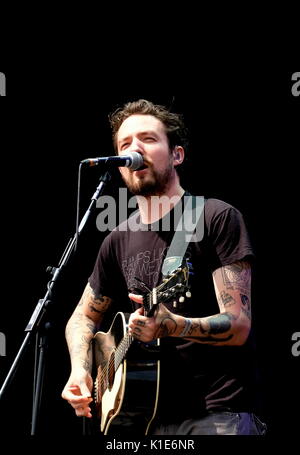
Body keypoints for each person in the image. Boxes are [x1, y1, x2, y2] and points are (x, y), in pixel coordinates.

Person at [61, 99, 267, 435]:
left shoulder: (213, 216)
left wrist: (175, 325)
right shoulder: (117, 238)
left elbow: (239, 325)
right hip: (145, 422)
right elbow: (82, 316)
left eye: (148, 139)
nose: (134, 149)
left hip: (216, 417)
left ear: (177, 155)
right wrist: (81, 370)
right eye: (125, 144)